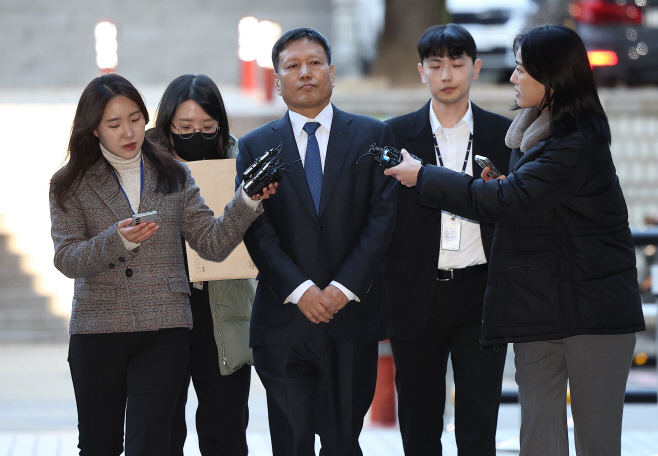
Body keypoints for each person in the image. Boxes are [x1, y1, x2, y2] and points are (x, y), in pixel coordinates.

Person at [385, 24, 645, 456]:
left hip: (592, 317)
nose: (513, 78)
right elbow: (526, 200)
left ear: (552, 76)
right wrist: (505, 186)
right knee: (537, 443)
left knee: (596, 443)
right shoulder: (532, 138)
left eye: (522, 69)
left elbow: (507, 200)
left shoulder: (574, 140)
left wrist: (424, 175)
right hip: (537, 315)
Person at [49, 73, 276, 456]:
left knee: (150, 443)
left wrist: (247, 201)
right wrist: (115, 240)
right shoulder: (68, 182)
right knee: (98, 443)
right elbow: (66, 257)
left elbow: (212, 243)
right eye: (114, 123)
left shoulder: (173, 173)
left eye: (135, 118)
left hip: (165, 327)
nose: (129, 132)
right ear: (93, 130)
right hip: (97, 327)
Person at [235, 28, 398, 455]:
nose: (304, 73)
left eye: (314, 63)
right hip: (284, 322)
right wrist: (301, 290)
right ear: (277, 79)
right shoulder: (255, 146)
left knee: (343, 442)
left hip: (351, 321)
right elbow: (256, 230)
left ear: (331, 71)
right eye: (292, 66)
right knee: (291, 444)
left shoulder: (371, 137)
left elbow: (382, 219)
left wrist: (342, 289)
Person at [383, 24, 510, 455]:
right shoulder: (393, 136)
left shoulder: (505, 136)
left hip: (482, 292)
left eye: (456, 63)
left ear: (475, 68)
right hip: (415, 291)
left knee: (479, 425)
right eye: (435, 65)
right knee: (418, 427)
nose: (446, 74)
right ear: (421, 72)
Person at [149, 74, 252, 456]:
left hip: (222, 309)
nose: (197, 135)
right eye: (186, 128)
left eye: (208, 128)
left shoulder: (239, 159)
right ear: (166, 127)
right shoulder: (142, 162)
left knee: (224, 428)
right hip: (163, 311)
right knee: (160, 429)